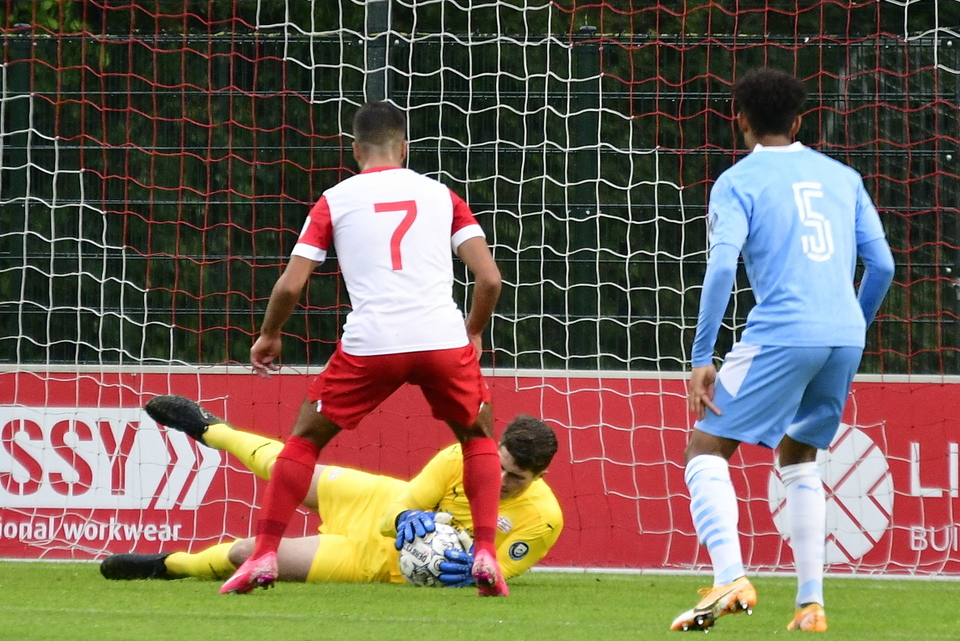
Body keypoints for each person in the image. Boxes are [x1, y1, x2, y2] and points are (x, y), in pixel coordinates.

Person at [214, 102, 505, 596]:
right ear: (404, 147)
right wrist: (473, 331)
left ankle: (264, 554)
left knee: (304, 441)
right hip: (441, 338)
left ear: (355, 150)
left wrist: (269, 334)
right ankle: (485, 553)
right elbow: (490, 279)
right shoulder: (441, 195)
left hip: (373, 343)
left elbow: (290, 285)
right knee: (478, 438)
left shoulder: (335, 199)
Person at [671, 68, 894, 633]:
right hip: (844, 337)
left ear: (740, 120)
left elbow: (722, 267)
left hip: (781, 332)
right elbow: (883, 266)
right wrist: (851, 327)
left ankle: (729, 576)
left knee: (704, 449)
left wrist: (702, 356)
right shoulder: (844, 177)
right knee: (799, 457)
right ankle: (810, 604)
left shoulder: (737, 181)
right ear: (798, 122)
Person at [100, 396, 563, 588]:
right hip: (374, 500)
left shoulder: (544, 520)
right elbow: (398, 509)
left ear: (539, 477)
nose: (501, 481)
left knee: (245, 554)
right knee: (289, 469)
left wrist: (472, 575)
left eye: (516, 479)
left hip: (374, 562)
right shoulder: (460, 457)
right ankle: (212, 430)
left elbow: (498, 572)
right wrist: (405, 519)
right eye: (499, 466)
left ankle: (168, 565)